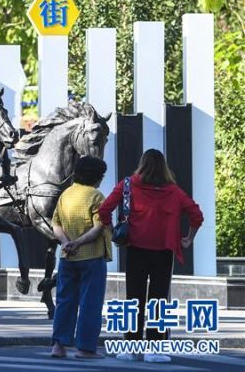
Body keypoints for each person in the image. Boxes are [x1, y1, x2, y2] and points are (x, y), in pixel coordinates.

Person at [99, 149, 204, 364]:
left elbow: (104, 210)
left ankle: (131, 348)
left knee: (134, 298)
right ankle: (154, 350)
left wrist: (113, 233)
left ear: (142, 164)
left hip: (135, 249)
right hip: (164, 252)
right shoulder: (174, 191)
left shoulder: (127, 185)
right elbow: (196, 215)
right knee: (159, 300)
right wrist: (189, 238)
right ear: (164, 168)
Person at [50, 155, 112, 360]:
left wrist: (66, 242)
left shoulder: (65, 194)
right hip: (92, 257)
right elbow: (98, 228)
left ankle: (58, 346)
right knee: (90, 304)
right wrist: (78, 243)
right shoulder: (96, 196)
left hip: (67, 258)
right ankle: (85, 348)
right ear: (96, 176)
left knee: (64, 301)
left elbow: (56, 224)